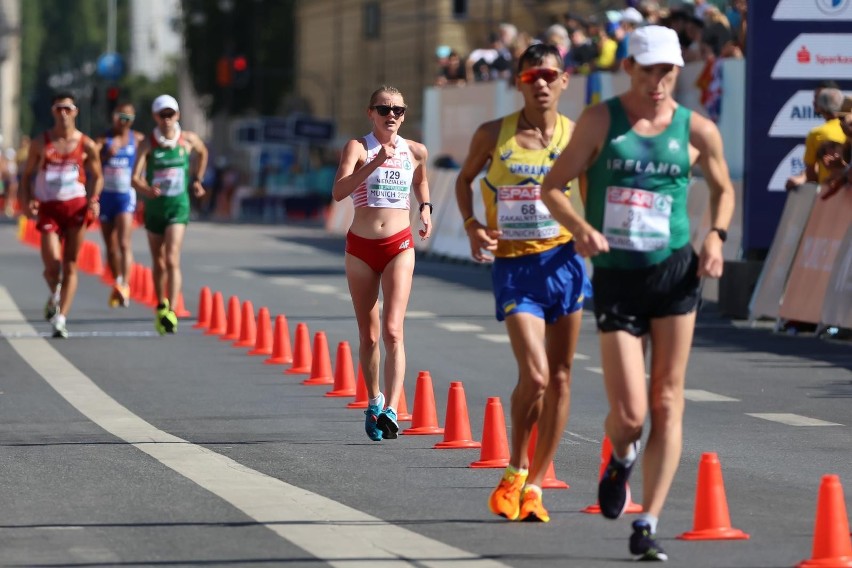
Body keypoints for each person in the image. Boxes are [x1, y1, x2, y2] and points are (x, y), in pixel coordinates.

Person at [539, 25, 735, 560]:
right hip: (618, 277)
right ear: (629, 67)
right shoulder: (603, 120)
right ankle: (621, 456)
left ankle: (647, 520)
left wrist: (715, 237)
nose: (658, 82)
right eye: (648, 70)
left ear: (678, 72)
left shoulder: (697, 130)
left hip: (674, 273)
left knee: (667, 401)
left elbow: (723, 190)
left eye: (667, 72)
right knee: (630, 415)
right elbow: (551, 187)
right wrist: (580, 229)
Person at [455, 43, 587, 524]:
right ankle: (515, 467)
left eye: (550, 75)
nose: (543, 84)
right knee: (535, 376)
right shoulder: (494, 133)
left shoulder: (577, 138)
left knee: (562, 377)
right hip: (514, 266)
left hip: (565, 264)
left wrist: (595, 241)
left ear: (565, 79)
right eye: (533, 77)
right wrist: (471, 224)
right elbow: (463, 179)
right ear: (519, 82)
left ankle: (534, 486)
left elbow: (588, 202)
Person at [331, 86, 431, 442]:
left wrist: (426, 209)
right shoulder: (358, 148)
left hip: (399, 245)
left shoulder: (415, 150)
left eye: (398, 110)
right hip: (360, 248)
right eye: (384, 109)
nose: (392, 115)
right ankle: (373, 400)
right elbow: (339, 191)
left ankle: (392, 407)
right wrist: (375, 162)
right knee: (369, 335)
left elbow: (421, 180)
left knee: (393, 330)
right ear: (370, 112)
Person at [18, 92, 104, 338]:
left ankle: (61, 318)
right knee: (52, 268)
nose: (63, 113)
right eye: (59, 109)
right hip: (49, 209)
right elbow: (26, 177)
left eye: (68, 108)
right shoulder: (41, 143)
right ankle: (55, 293)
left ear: (75, 111)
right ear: (53, 112)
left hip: (76, 208)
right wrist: (27, 200)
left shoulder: (86, 144)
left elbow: (98, 176)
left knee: (71, 264)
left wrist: (94, 199)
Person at [131, 94, 208, 335]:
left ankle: (172, 310)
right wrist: (146, 189)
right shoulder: (148, 144)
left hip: (178, 206)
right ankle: (161, 302)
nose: (167, 119)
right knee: (159, 261)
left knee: (172, 257)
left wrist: (197, 179)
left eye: (170, 114)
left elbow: (203, 152)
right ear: (155, 117)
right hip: (155, 209)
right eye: (162, 115)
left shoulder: (187, 140)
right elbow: (134, 178)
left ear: (177, 115)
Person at [95, 102, 145, 307]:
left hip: (125, 197)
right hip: (106, 197)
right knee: (110, 246)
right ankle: (117, 281)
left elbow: (153, 153)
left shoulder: (138, 139)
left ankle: (125, 283)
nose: (124, 123)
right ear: (113, 117)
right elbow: (88, 161)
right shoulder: (103, 139)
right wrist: (105, 155)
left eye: (128, 119)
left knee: (124, 243)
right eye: (120, 118)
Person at [786, 86, 848, 191]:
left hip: (829, 192)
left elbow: (810, 174)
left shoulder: (816, 134)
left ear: (820, 107)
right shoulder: (847, 128)